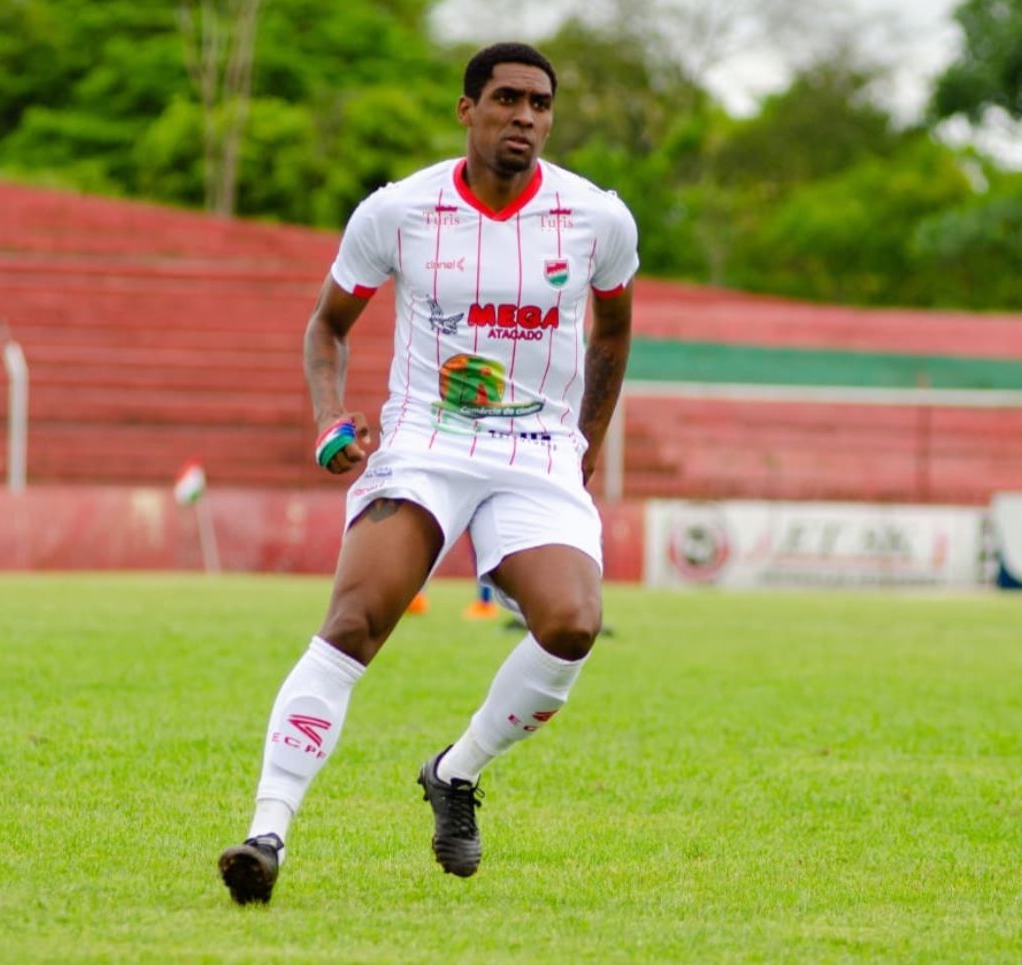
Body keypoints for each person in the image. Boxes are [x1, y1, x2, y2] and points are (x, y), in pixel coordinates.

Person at [218, 41, 638, 905]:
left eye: (540, 104)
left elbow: (614, 330)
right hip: (426, 445)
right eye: (508, 99)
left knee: (573, 623)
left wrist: (587, 442)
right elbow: (327, 327)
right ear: (468, 109)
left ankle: (455, 772)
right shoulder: (399, 211)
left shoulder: (597, 219)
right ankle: (268, 831)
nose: (525, 117)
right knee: (354, 621)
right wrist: (331, 418)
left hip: (536, 455)